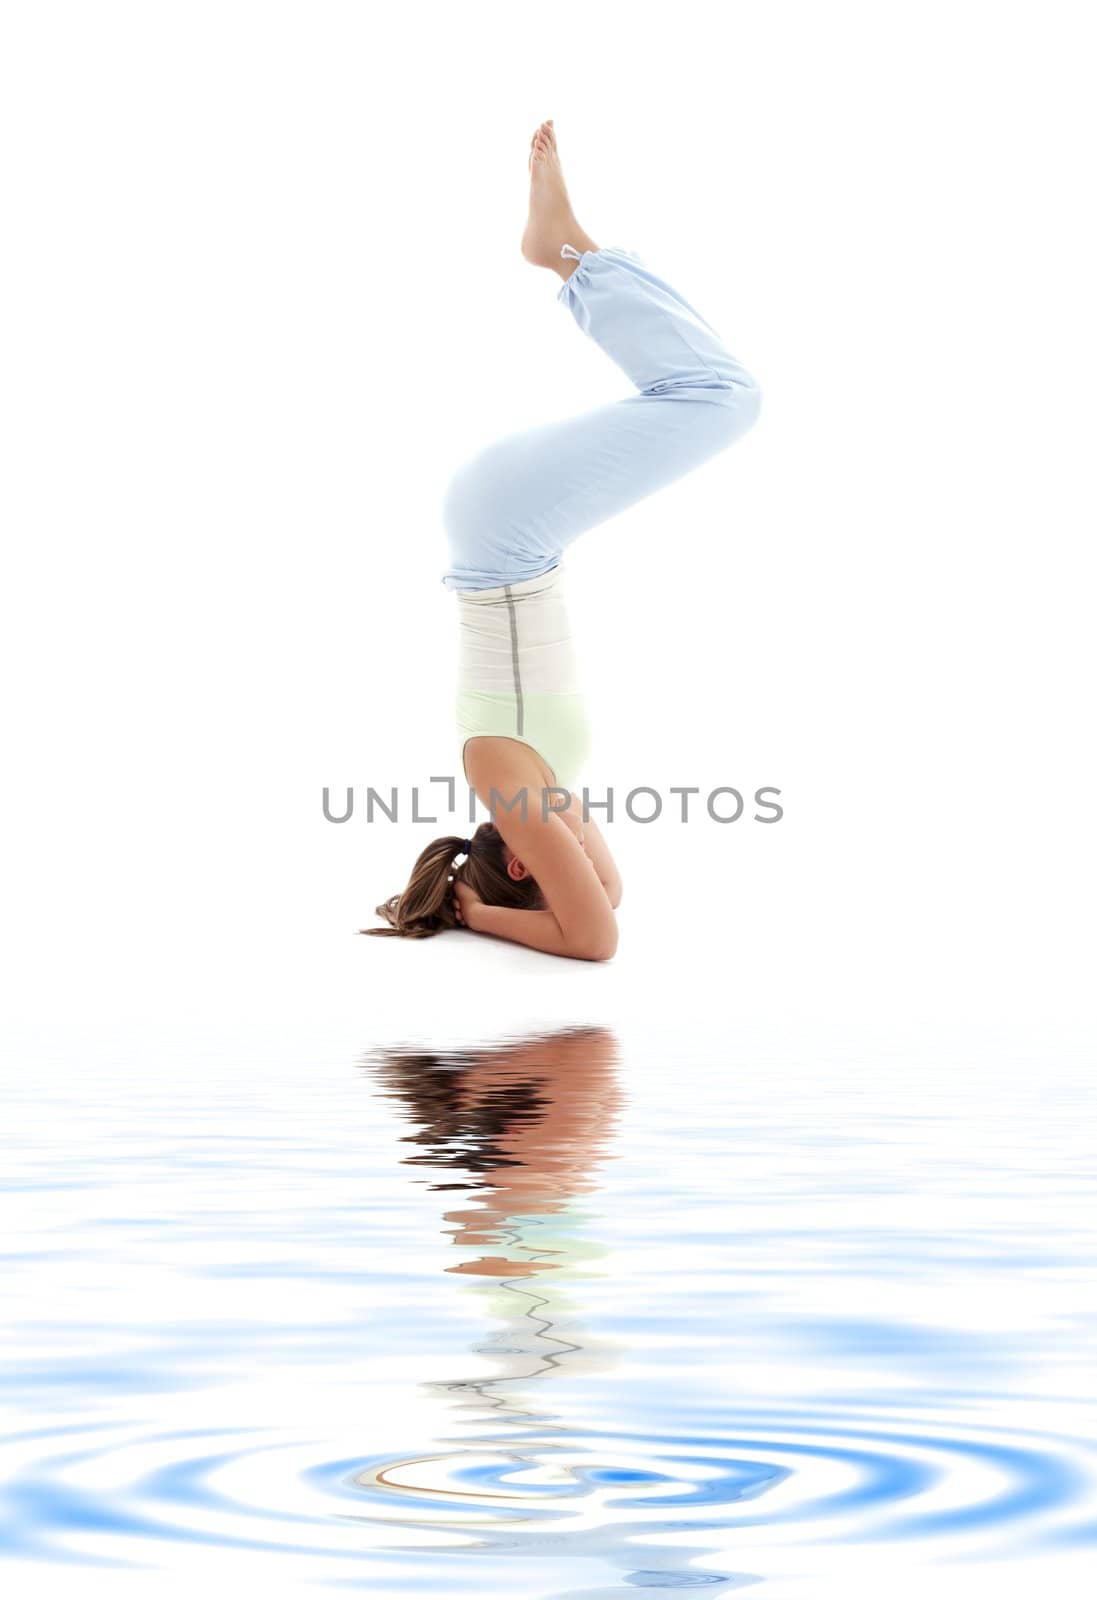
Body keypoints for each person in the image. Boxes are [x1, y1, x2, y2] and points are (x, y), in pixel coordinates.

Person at [364, 120, 761, 960]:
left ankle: (566, 251)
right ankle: (569, 252)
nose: (581, 851)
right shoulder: (538, 786)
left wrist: (472, 916)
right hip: (514, 535)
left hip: (504, 534)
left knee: (720, 396)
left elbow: (593, 938)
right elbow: (609, 898)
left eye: (557, 860)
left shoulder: (504, 781)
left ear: (518, 856)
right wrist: (507, 899)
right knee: (714, 395)